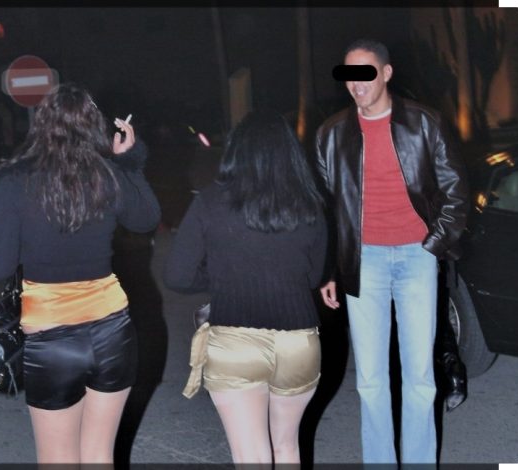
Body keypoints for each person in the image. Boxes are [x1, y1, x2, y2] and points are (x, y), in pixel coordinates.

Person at [0, 83, 161, 464]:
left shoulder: (15, 182)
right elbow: (147, 218)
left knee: (58, 459)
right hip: (112, 332)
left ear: (41, 124)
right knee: (99, 456)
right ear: (94, 126)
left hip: (51, 338)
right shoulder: (108, 175)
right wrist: (129, 162)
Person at [315, 39, 469, 464]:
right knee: (369, 379)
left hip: (417, 257)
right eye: (349, 74)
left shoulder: (424, 123)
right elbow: (327, 210)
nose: (356, 83)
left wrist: (432, 245)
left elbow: (456, 191)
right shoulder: (331, 134)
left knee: (419, 377)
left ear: (385, 73)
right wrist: (330, 270)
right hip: (364, 262)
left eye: (364, 72)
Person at [164, 110, 327, 465]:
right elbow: (313, 277)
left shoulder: (209, 201)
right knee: (287, 448)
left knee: (251, 457)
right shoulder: (310, 204)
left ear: (235, 152)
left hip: (235, 342)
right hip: (298, 343)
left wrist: (223, 277)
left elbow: (177, 276)